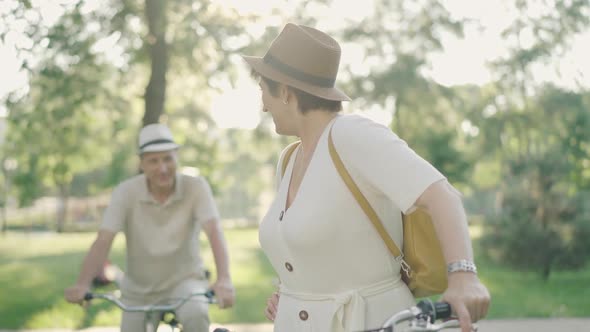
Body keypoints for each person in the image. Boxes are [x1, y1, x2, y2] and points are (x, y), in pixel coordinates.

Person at [242, 23, 490, 332]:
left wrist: (464, 278)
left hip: (372, 322)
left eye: (264, 91)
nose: (263, 105)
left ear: (287, 92)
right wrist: (293, 292)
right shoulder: (289, 159)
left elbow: (443, 196)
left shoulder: (353, 135)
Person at [64, 123, 235, 332]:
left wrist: (224, 279)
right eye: (153, 161)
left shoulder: (196, 187)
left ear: (177, 157)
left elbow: (214, 231)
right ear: (142, 163)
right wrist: (83, 284)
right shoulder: (125, 192)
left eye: (167, 159)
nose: (162, 168)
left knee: (197, 316)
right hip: (138, 290)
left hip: (186, 283)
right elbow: (103, 240)